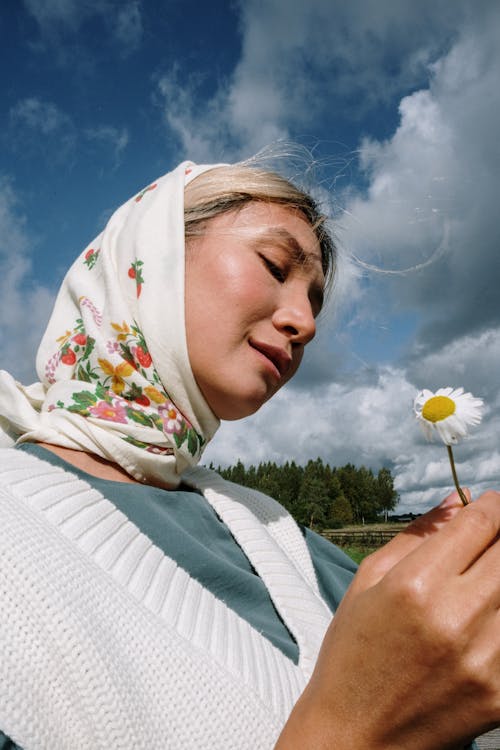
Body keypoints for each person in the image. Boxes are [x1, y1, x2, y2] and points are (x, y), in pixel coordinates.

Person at [0, 158, 497, 750]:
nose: (307, 323)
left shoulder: (274, 530)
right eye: (274, 265)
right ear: (149, 258)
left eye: (314, 299)